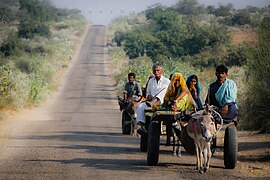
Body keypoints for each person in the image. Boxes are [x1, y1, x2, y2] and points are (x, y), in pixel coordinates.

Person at [136, 63, 170, 135]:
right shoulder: (151, 81)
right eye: (155, 71)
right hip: (150, 102)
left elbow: (169, 94)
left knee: (164, 89)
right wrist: (150, 97)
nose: (156, 72)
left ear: (161, 71)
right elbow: (148, 93)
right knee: (140, 106)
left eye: (158, 70)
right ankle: (142, 125)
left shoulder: (167, 81)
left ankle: (155, 101)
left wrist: (157, 99)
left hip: (163, 103)